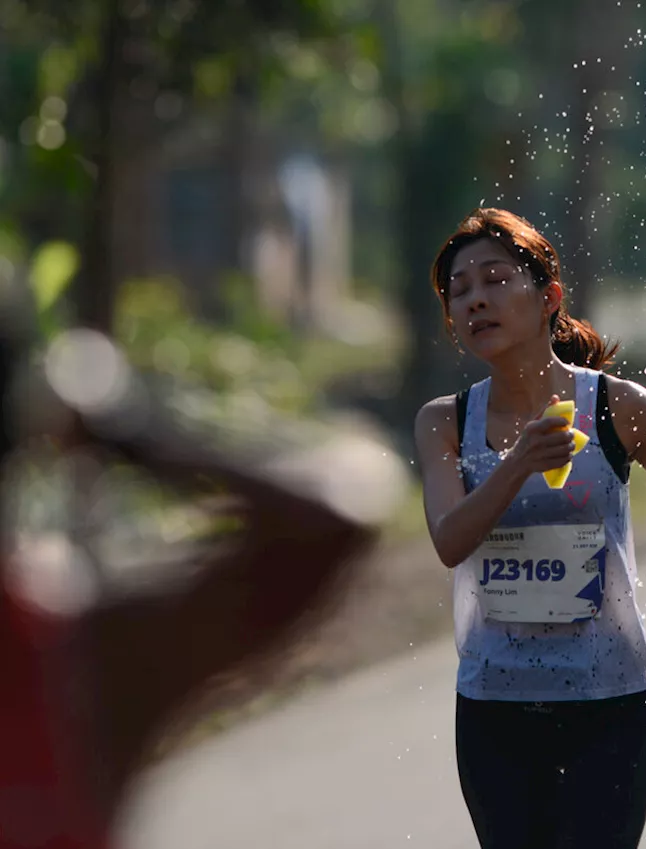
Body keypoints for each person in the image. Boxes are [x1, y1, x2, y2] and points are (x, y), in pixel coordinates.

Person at [416, 207, 646, 849]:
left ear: (548, 296)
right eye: (460, 291)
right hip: (493, 710)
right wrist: (520, 462)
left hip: (612, 705)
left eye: (496, 280)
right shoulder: (446, 422)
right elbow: (450, 540)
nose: (476, 300)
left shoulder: (619, 408)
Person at [0, 304, 396, 847]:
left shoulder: (68, 650)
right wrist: (122, 429)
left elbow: (339, 516)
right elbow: (337, 514)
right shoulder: (79, 652)